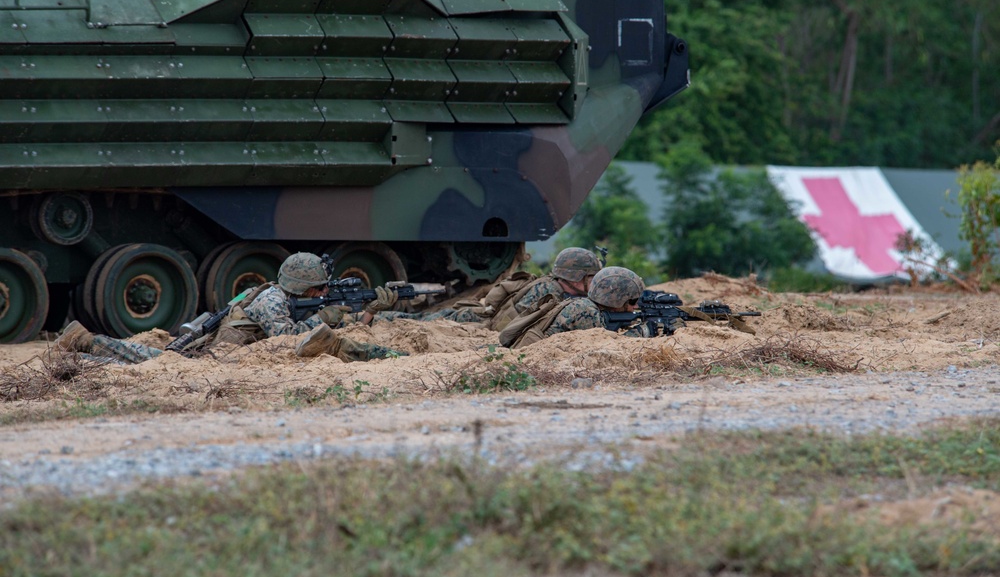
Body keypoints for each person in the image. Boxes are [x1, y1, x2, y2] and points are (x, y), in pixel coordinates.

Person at [53, 252, 406, 364]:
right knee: (156, 361)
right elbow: (287, 338)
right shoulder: (272, 300)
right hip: (218, 353)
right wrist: (326, 315)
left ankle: (81, 353)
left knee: (148, 360)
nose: (327, 291)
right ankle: (84, 341)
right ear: (304, 288)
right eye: (321, 288)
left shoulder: (274, 292)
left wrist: (369, 310)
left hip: (222, 348)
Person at [377, 246, 603, 330]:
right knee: (413, 323)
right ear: (574, 277)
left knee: (416, 321)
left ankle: (366, 317)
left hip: (478, 317)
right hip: (473, 322)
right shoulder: (547, 292)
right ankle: (362, 319)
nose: (595, 282)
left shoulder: (554, 288)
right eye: (591, 277)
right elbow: (507, 327)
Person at [499, 265, 662, 348]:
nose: (635, 307)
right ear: (616, 299)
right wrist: (643, 332)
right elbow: (603, 349)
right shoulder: (586, 312)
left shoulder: (585, 305)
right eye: (632, 301)